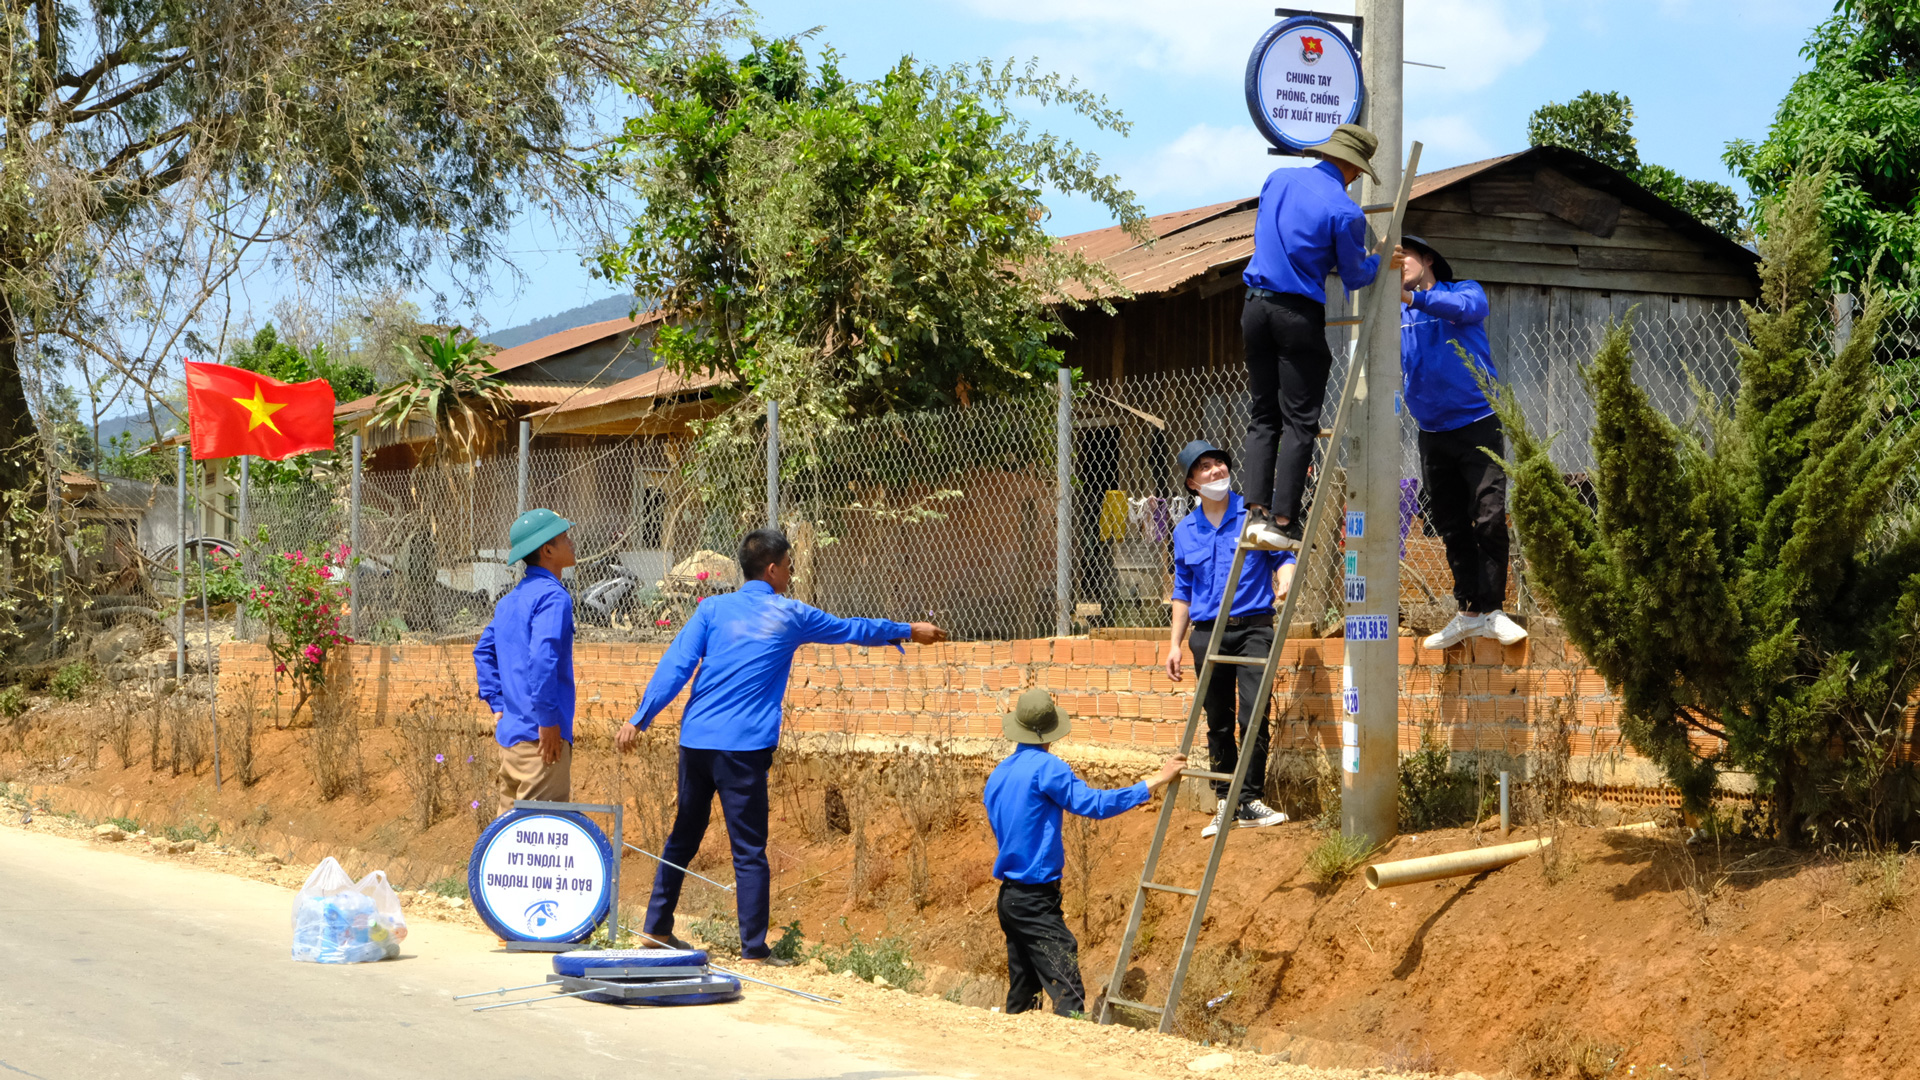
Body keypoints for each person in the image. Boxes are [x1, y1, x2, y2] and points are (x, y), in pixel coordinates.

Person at [617, 528, 947, 964]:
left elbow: (676, 665)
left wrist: (640, 718)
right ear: (771, 569)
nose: (791, 574)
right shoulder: (788, 614)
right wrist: (906, 630)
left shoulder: (712, 609)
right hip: (743, 750)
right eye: (789, 566)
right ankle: (754, 948)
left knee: (683, 834)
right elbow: (851, 629)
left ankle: (656, 927)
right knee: (749, 850)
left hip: (696, 742)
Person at [1240, 123, 1402, 551]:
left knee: (1263, 414)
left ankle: (1254, 512)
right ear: (1354, 167)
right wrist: (1380, 257)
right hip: (1297, 313)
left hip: (1254, 306)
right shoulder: (1345, 212)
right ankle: (1283, 521)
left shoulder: (1278, 180)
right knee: (1300, 421)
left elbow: (1270, 236)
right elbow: (1354, 276)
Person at [984, 688, 1186, 1017]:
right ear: (1051, 730)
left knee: (1024, 990)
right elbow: (1095, 805)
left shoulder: (998, 775)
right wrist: (1154, 781)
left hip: (1009, 898)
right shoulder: (1048, 769)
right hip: (1035, 898)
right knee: (1067, 986)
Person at [1397, 235, 1527, 649]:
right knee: (1450, 524)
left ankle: (1494, 610)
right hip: (1432, 432)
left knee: (1488, 516)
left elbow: (1465, 310)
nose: (1397, 264)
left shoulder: (1463, 292)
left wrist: (1412, 300)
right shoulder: (1396, 311)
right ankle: (1469, 610)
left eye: (1405, 257)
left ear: (1428, 258)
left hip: (1478, 422)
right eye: (1391, 260)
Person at [1166, 440, 1293, 838]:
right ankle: (1226, 800)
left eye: (1219, 463)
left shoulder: (1254, 516)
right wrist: (1174, 643)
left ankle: (1250, 800)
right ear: (1191, 482)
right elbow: (1182, 589)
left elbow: (1283, 556)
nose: (1216, 470)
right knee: (1218, 721)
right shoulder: (1184, 530)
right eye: (1204, 467)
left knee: (1253, 716)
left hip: (1254, 627)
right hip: (1207, 635)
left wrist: (1285, 581)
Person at [474, 508, 578, 816]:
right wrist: (548, 721)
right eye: (564, 538)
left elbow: (483, 652)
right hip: (541, 745)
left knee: (507, 845)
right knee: (536, 842)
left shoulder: (509, 602)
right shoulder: (553, 597)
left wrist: (497, 705)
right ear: (547, 550)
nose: (571, 542)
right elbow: (543, 661)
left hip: (512, 744)